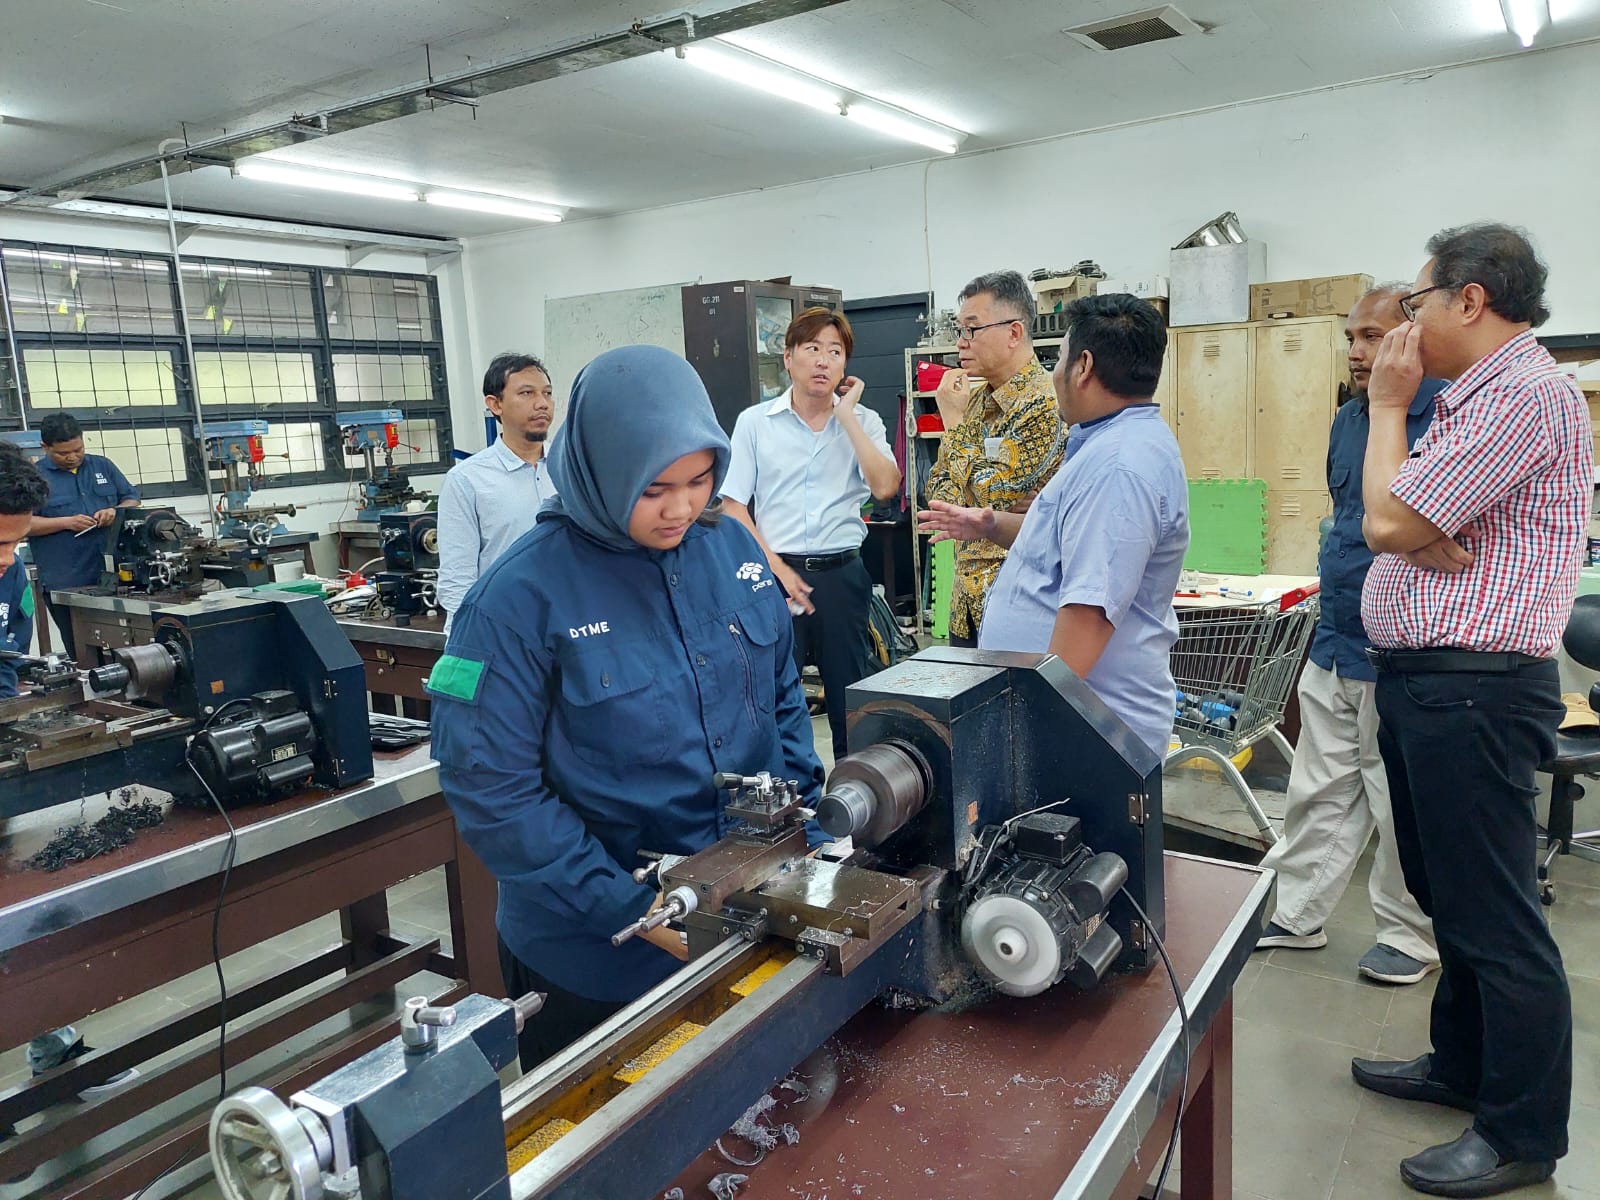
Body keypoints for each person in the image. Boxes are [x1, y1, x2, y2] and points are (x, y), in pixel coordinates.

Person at [428, 345, 823, 1069]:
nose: (681, 507)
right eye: (653, 489)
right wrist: (629, 910)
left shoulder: (730, 544)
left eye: (701, 480)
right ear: (601, 469)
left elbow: (779, 696)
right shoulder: (514, 601)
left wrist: (812, 825)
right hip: (596, 961)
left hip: (750, 910)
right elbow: (491, 789)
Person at [1354, 223, 1587, 1197]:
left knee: (1494, 918)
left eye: (1415, 304)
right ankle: (1460, 1065)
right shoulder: (1478, 399)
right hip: (1432, 681)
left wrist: (1385, 408)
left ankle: (1520, 1132)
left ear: (1469, 301)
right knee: (1447, 900)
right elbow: (1401, 523)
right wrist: (1409, 523)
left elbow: (1385, 519)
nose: (1405, 325)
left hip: (1476, 690)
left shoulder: (1522, 396)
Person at [1255, 285, 1444, 986]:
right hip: (1335, 632)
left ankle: (1409, 935)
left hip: (1399, 646)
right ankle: (1297, 914)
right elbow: (1347, 519)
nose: (1357, 352)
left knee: (1395, 800)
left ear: (1413, 336)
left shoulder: (1444, 416)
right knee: (1317, 787)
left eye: (1371, 337)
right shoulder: (1349, 419)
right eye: (1351, 338)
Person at [919, 293, 1188, 760]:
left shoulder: (1119, 468)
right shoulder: (1105, 444)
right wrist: (989, 523)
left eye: (1058, 359)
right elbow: (1066, 542)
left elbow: (1088, 614)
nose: (1054, 373)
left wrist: (1023, 726)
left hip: (1088, 728)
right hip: (1074, 718)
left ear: (1083, 366)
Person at [0, 442, 135, 1154]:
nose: (4, 558)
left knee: (17, 916)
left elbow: (5, 667)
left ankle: (47, 1045)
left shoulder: (8, 575)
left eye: (15, 544)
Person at [720, 308, 902, 759]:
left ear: (845, 366)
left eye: (834, 352)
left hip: (842, 577)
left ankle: (854, 801)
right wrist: (776, 569)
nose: (823, 360)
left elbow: (885, 487)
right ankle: (786, 810)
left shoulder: (865, 422)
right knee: (773, 696)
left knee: (850, 699)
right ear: (788, 357)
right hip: (774, 578)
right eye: (812, 349)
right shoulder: (755, 423)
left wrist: (848, 418)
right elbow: (732, 506)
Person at [925, 270, 1065, 646]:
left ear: (1014, 333)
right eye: (960, 331)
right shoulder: (975, 400)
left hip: (1019, 602)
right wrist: (974, 481)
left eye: (972, 329)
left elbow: (990, 502)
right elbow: (942, 495)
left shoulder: (1044, 403)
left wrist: (952, 424)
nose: (961, 343)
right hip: (965, 605)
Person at [436, 353, 558, 631]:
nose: (542, 404)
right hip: (501, 630)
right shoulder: (467, 480)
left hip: (563, 628)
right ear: (495, 404)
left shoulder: (569, 470)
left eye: (547, 393)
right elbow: (457, 579)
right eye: (526, 393)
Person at [27, 413, 138, 662]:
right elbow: (21, 524)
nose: (72, 457)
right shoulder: (32, 479)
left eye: (77, 449)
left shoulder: (103, 466)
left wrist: (116, 511)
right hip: (67, 580)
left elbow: (132, 498)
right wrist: (65, 522)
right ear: (45, 447)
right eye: (63, 453)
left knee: (133, 648)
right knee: (84, 656)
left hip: (114, 576)